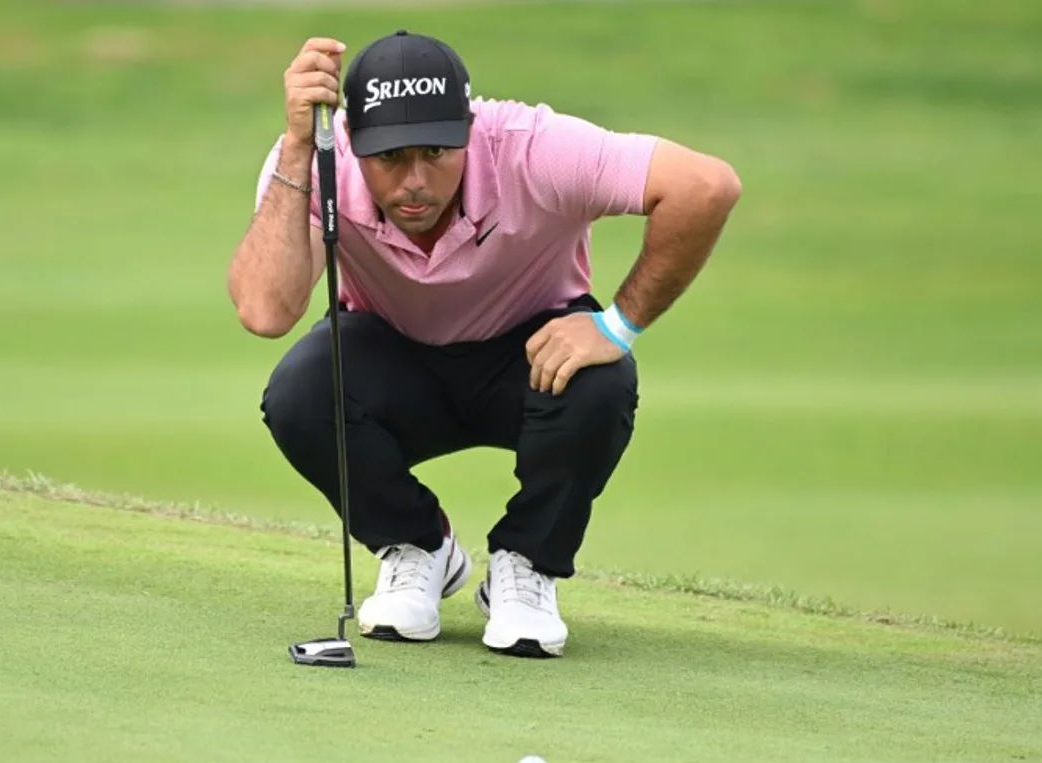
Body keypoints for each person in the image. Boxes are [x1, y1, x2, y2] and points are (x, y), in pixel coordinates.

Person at [228, 30, 742, 659]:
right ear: (355, 142)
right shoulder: (313, 163)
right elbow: (263, 310)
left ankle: (526, 567)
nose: (415, 181)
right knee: (302, 392)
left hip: (530, 356)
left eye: (437, 151)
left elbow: (706, 187)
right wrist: (299, 148)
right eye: (390, 157)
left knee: (601, 384)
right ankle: (418, 548)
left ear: (469, 127)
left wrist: (616, 325)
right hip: (393, 356)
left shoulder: (532, 148)